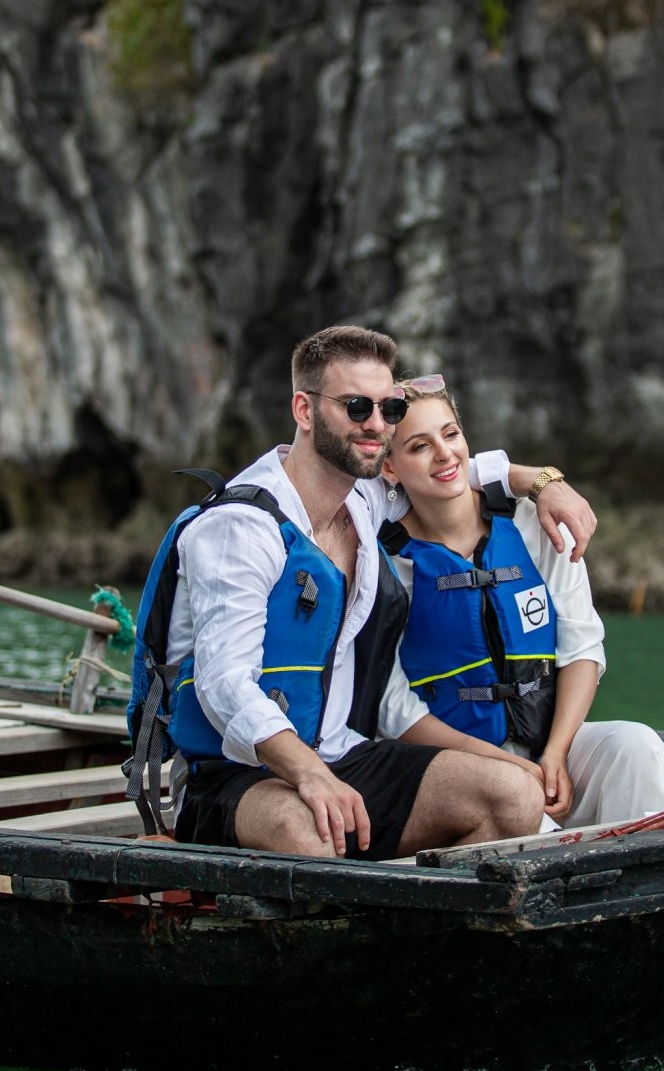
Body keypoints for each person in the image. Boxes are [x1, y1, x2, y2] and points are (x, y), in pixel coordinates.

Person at [159, 325, 598, 859]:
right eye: (355, 407)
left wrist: (544, 482)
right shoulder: (240, 528)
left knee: (513, 796)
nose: (375, 425)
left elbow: (449, 467)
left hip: (343, 754)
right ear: (304, 410)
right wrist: (310, 774)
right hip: (233, 775)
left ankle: (417, 925)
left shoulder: (364, 500)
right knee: (313, 834)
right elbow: (224, 684)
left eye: (387, 410)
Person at [376, 374, 664, 828]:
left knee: (635, 746)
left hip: (547, 748)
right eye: (419, 447)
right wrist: (503, 767)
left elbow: (581, 646)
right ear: (389, 467)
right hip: (458, 767)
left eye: (451, 434)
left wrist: (557, 752)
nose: (444, 454)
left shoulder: (534, 522)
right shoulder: (385, 563)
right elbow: (391, 706)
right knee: (516, 802)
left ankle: (644, 882)